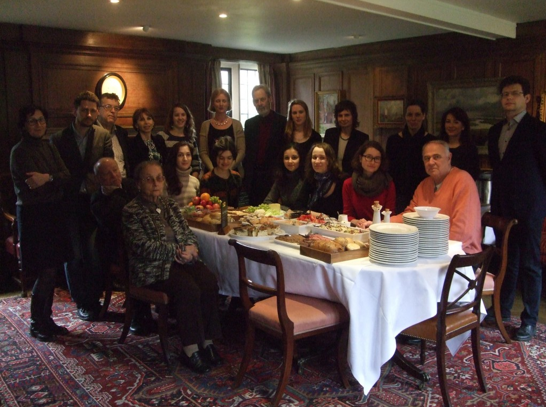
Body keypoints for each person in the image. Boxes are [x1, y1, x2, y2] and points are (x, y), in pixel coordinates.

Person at [122, 161, 222, 373]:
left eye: (159, 178)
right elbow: (142, 246)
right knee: (187, 288)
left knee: (208, 280)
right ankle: (190, 349)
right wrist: (177, 251)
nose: (155, 184)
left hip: (181, 261)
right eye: (149, 179)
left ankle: (208, 342)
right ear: (139, 183)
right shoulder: (131, 211)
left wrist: (192, 249)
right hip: (152, 268)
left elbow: (186, 232)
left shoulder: (169, 204)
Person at [487, 75, 546, 342]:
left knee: (531, 265)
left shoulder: (539, 129)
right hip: (503, 208)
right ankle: (502, 310)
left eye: (514, 94)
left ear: (527, 98)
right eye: (505, 94)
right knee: (506, 262)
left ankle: (530, 320)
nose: (508, 98)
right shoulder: (495, 130)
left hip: (530, 208)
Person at [10, 105, 72, 342]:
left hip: (54, 213)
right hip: (34, 216)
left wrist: (47, 177)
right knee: (44, 272)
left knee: (53, 269)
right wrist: (52, 181)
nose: (38, 125)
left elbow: (65, 176)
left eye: (41, 120)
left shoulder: (49, 146)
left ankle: (47, 319)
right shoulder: (19, 152)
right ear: (24, 125)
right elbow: (31, 189)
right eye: (32, 121)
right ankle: (37, 322)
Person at [50, 90, 113, 321]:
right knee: (74, 256)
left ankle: (94, 300)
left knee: (94, 255)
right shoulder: (57, 139)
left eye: (93, 110)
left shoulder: (103, 135)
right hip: (69, 205)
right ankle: (82, 302)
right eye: (84, 109)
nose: (88, 114)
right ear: (74, 110)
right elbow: (58, 173)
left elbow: (107, 166)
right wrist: (83, 179)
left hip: (95, 205)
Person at [391, 140, 481, 254]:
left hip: (461, 253)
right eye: (426, 158)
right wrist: (381, 223)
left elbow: (462, 232)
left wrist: (432, 251)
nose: (431, 162)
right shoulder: (424, 184)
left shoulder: (463, 180)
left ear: (449, 158)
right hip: (429, 250)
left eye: (436, 157)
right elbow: (409, 215)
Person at [386, 99, 436, 214]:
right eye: (410, 115)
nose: (413, 118)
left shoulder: (431, 141)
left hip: (425, 191)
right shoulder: (393, 140)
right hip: (399, 193)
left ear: (424, 116)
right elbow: (390, 169)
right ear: (405, 117)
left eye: (417, 115)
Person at [243, 85, 287, 206]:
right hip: (254, 179)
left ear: (270, 99)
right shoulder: (249, 124)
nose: (260, 103)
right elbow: (247, 153)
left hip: (274, 177)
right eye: (256, 101)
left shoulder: (282, 122)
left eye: (262, 99)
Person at [342, 140, 396, 228]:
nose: (372, 162)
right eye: (368, 157)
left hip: (381, 229)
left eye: (377, 158)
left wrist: (375, 225)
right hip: (358, 230)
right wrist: (357, 222)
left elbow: (390, 215)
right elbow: (347, 215)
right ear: (360, 158)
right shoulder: (348, 184)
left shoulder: (388, 184)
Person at [199, 88, 245, 175]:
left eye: (224, 101)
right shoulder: (205, 125)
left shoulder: (237, 124)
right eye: (217, 101)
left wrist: (229, 169)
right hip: (211, 173)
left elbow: (241, 151)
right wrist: (214, 171)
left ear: (228, 103)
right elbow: (203, 152)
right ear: (213, 103)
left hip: (233, 173)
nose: (221, 104)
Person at [324, 100, 369, 176]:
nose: (343, 119)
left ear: (353, 116)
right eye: (340, 116)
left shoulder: (362, 138)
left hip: (351, 179)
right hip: (331, 177)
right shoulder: (330, 134)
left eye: (347, 115)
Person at [157, 103, 201, 178]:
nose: (180, 118)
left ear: (187, 117)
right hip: (168, 180)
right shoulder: (162, 137)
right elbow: (159, 162)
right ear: (172, 118)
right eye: (177, 115)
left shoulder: (191, 139)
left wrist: (193, 181)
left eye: (183, 115)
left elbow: (196, 164)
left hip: (188, 180)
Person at [263, 143, 308, 211]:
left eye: (294, 158)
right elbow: (267, 202)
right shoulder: (281, 177)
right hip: (285, 219)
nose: (290, 161)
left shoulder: (308, 178)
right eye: (286, 158)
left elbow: (308, 208)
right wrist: (287, 210)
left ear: (301, 159)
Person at [96, 93, 131, 178]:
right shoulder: (92, 132)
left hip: (124, 181)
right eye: (108, 106)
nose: (113, 111)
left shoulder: (121, 133)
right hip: (103, 182)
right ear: (98, 110)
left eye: (116, 108)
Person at [305, 142, 344, 218]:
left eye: (322, 158)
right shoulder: (310, 178)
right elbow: (299, 206)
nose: (317, 161)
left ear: (330, 160)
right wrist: (320, 215)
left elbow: (341, 212)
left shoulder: (340, 180)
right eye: (314, 157)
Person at [439, 107, 480, 180]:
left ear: (463, 126)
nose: (451, 126)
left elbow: (473, 175)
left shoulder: (470, 149)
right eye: (448, 121)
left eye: (456, 122)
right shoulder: (437, 146)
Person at [200, 136, 242, 207]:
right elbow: (204, 206)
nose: (225, 162)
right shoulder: (207, 179)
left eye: (229, 158)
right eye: (221, 158)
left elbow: (242, 200)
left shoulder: (237, 177)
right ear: (215, 157)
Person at [164, 141, 200, 207]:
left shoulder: (195, 182)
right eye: (180, 155)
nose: (185, 159)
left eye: (188, 155)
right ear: (175, 157)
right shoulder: (167, 181)